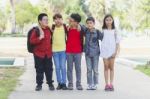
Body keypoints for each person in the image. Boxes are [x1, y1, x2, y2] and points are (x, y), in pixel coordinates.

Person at [29, 13, 55, 91]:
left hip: (48, 54)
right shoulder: (36, 30)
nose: (46, 21)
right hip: (39, 54)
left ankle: (50, 84)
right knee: (39, 70)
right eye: (44, 19)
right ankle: (39, 85)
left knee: (49, 70)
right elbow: (31, 41)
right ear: (40, 21)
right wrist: (40, 38)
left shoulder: (49, 29)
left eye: (47, 19)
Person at [101, 14, 121, 91]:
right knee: (106, 67)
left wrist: (115, 52)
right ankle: (106, 84)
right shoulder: (103, 30)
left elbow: (117, 42)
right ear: (104, 21)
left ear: (112, 21)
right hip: (105, 51)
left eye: (110, 20)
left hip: (112, 51)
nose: (108, 21)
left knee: (111, 67)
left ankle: (111, 84)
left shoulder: (115, 30)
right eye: (107, 20)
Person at [82, 17, 103, 90]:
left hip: (95, 54)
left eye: (91, 23)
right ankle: (89, 84)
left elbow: (103, 38)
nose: (89, 24)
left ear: (94, 23)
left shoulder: (97, 32)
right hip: (87, 53)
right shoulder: (85, 31)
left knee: (95, 69)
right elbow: (80, 26)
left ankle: (95, 84)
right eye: (87, 23)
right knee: (89, 69)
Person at [66, 13, 84, 90]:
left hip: (78, 52)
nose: (70, 21)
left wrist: (80, 26)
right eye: (69, 20)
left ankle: (78, 84)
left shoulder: (81, 29)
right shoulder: (67, 28)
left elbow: (88, 28)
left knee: (78, 68)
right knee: (69, 68)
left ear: (76, 22)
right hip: (69, 51)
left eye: (71, 20)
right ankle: (70, 83)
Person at [51, 13, 68, 90]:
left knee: (63, 67)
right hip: (54, 51)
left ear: (62, 19)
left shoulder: (65, 27)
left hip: (63, 50)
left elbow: (75, 26)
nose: (58, 20)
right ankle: (59, 83)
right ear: (54, 20)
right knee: (57, 67)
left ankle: (64, 83)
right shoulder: (52, 27)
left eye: (59, 18)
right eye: (56, 19)